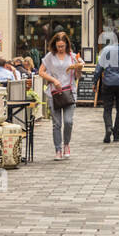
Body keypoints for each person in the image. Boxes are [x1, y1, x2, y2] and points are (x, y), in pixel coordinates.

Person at [39, 32, 83, 160]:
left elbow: (77, 76)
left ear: (67, 45)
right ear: (54, 45)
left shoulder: (73, 56)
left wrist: (79, 67)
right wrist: (53, 80)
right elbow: (41, 71)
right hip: (55, 93)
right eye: (58, 46)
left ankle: (66, 144)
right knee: (56, 123)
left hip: (69, 92)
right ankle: (58, 149)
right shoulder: (50, 56)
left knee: (68, 121)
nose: (60, 48)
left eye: (62, 46)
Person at [96, 36, 119, 143]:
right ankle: (116, 134)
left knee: (107, 108)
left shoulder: (105, 50)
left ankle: (108, 128)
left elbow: (99, 68)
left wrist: (94, 82)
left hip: (108, 82)